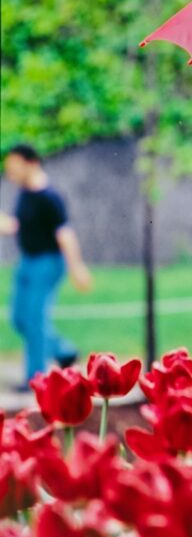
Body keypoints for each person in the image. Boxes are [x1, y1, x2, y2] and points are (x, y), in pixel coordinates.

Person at [1, 144, 92, 391]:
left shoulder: (50, 197)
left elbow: (66, 235)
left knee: (35, 321)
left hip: (47, 263)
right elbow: (19, 225)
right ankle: (65, 351)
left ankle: (35, 379)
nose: (10, 172)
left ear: (31, 163)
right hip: (27, 262)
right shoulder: (25, 194)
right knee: (19, 318)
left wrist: (77, 268)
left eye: (14, 167)